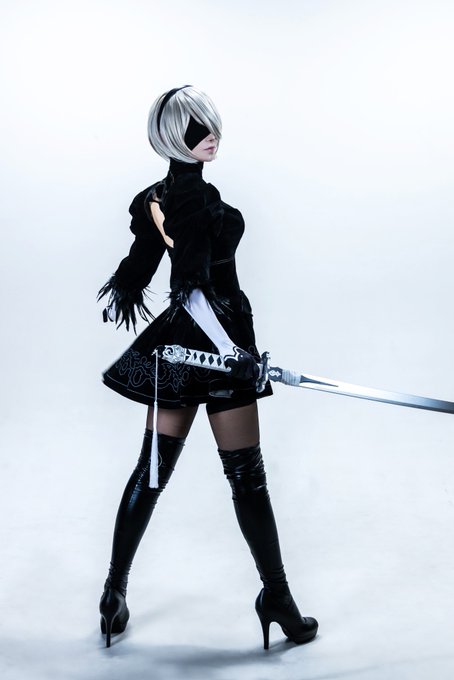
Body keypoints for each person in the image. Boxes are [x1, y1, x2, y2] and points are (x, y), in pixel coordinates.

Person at [96, 85, 318, 650]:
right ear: (173, 134)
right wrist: (234, 355)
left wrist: (128, 286)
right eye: (196, 128)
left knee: (154, 472)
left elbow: (144, 267)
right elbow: (192, 289)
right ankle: (278, 598)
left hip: (183, 347)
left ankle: (113, 592)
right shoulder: (192, 198)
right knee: (244, 477)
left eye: (212, 124)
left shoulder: (154, 197)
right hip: (213, 345)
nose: (210, 135)